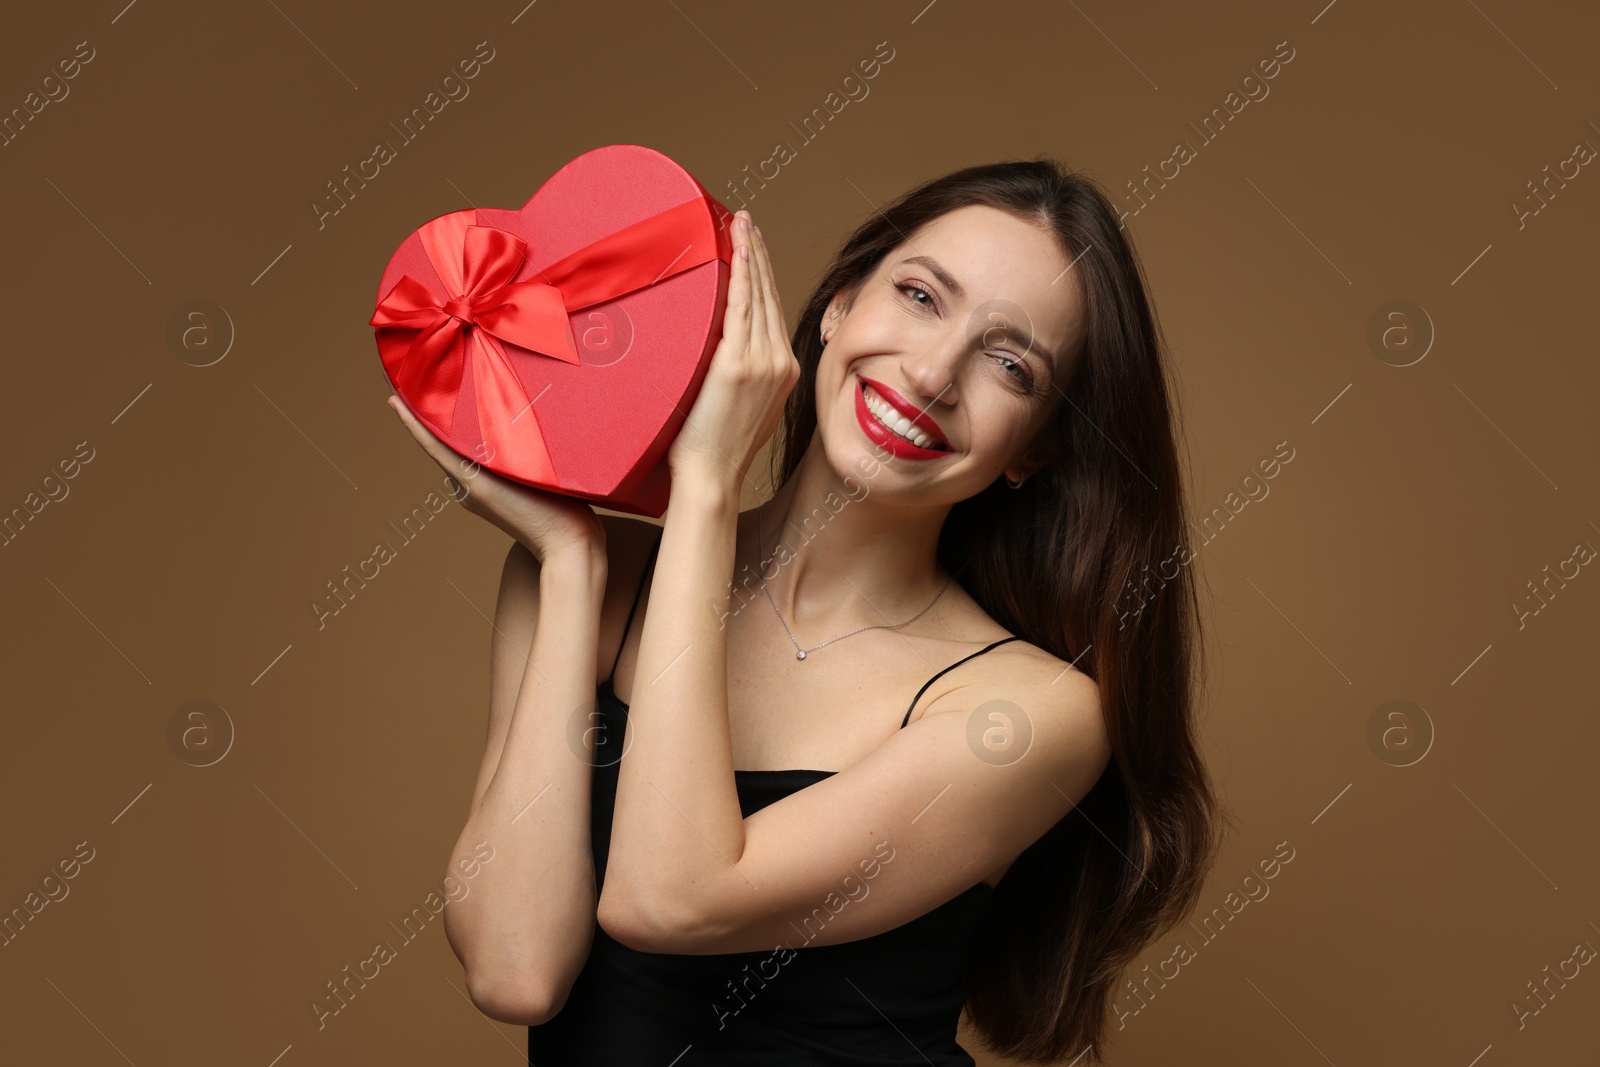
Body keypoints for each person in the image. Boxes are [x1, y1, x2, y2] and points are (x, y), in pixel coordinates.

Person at [388, 157, 1225, 1065]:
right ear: (837, 307)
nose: (934, 371)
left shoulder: (1032, 713)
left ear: (1038, 449)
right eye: (918, 296)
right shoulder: (586, 583)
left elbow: (668, 897)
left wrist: (706, 480)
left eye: (1010, 363)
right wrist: (570, 558)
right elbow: (516, 973)